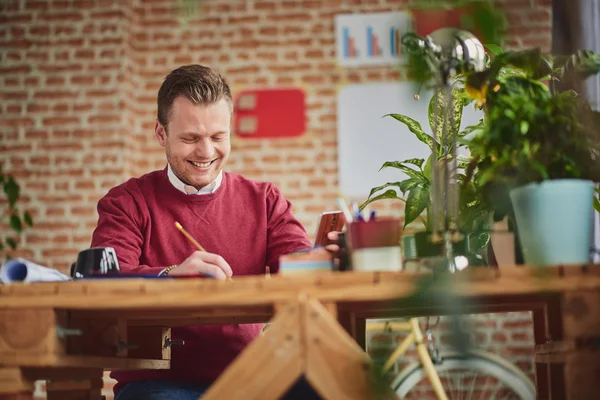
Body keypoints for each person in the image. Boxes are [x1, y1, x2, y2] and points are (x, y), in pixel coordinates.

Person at [91, 64, 330, 399]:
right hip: (158, 383)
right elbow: (103, 280)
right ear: (161, 134)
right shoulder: (126, 202)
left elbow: (295, 264)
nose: (206, 152)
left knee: (332, 384)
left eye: (218, 137)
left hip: (252, 374)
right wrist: (170, 275)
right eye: (190, 138)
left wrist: (324, 259)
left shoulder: (265, 200)